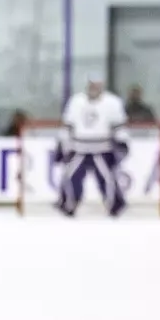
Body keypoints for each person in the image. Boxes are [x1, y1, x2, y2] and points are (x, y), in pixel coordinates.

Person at [56, 77, 130, 217]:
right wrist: (62, 143)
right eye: (91, 85)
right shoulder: (76, 101)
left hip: (102, 148)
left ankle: (114, 205)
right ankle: (69, 204)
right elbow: (68, 125)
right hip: (79, 147)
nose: (94, 88)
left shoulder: (112, 102)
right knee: (70, 176)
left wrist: (122, 141)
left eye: (97, 85)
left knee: (107, 179)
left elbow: (119, 125)